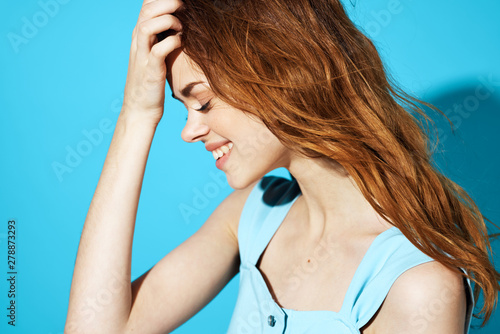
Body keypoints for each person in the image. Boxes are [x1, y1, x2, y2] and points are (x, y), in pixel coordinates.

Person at [65, 0, 500, 333]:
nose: (189, 131)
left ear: (283, 70)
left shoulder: (416, 286)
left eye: (202, 102)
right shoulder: (252, 214)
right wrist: (136, 114)